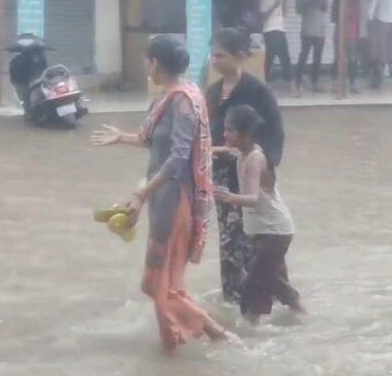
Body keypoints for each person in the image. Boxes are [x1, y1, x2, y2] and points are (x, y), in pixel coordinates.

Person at [90, 36, 240, 352]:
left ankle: (218, 337)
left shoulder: (182, 101)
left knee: (162, 286)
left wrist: (141, 194)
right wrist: (122, 138)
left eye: (147, 60)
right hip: (164, 201)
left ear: (155, 63)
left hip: (176, 203)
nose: (146, 66)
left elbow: (176, 159)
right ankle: (178, 345)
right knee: (157, 283)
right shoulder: (171, 97)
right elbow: (156, 143)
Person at [206, 27, 285, 303]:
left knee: (261, 240)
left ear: (240, 56)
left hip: (252, 176)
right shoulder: (212, 93)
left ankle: (278, 297)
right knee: (229, 241)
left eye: (221, 55)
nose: (215, 61)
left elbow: (275, 132)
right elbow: (206, 134)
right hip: (223, 178)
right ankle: (233, 299)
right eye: (212, 56)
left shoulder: (257, 91)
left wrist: (267, 167)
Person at [213, 105, 303, 324]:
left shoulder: (254, 158)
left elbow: (252, 198)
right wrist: (209, 150)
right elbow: (226, 150)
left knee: (255, 282)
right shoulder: (243, 151)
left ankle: (251, 329)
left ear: (244, 134)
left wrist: (228, 197)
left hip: (275, 230)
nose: (224, 134)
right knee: (274, 280)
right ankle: (302, 315)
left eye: (229, 130)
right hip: (264, 229)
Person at [260, 0, 296, 93]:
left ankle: (291, 85)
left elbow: (284, 14)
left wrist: (285, 0)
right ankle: (264, 83)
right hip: (269, 30)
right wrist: (274, 5)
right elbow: (263, 16)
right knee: (269, 59)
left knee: (285, 58)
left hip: (280, 29)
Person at [295, 0, 329, 93]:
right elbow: (298, 10)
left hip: (320, 30)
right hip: (307, 30)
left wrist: (323, 2)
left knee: (317, 58)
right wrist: (310, 2)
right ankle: (298, 81)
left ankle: (315, 83)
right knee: (304, 55)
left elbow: (325, 9)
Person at [331, 0, 360, 94]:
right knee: (337, 59)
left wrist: (349, 13)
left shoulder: (354, 0)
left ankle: (353, 84)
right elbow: (333, 18)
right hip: (338, 34)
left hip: (351, 34)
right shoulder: (336, 1)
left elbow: (358, 16)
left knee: (352, 60)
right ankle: (335, 84)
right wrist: (342, 13)